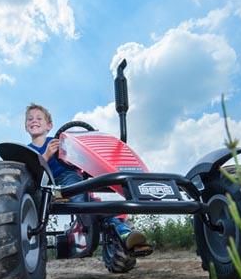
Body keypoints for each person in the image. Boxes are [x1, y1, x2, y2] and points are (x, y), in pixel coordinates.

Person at [24, 103, 151, 252]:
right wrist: (46, 155)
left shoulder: (59, 141)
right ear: (26, 126)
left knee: (89, 200)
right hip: (45, 189)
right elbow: (30, 174)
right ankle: (87, 219)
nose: (34, 121)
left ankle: (124, 232)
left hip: (67, 183)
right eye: (29, 119)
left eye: (39, 118)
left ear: (49, 125)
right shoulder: (27, 151)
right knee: (78, 198)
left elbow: (78, 156)